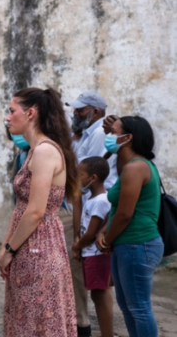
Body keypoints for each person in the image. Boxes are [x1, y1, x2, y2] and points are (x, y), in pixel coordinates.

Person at [0, 87, 78, 336]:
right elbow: (22, 209)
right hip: (32, 246)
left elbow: (35, 211)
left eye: (12, 111)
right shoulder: (37, 150)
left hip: (39, 249)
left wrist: (10, 249)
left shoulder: (45, 151)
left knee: (37, 322)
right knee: (28, 319)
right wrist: (6, 246)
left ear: (30, 113)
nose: (8, 117)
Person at [96, 116, 163, 337]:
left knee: (139, 308)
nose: (109, 137)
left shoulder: (136, 168)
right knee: (127, 306)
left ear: (128, 138)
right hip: (128, 244)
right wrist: (106, 233)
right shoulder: (132, 166)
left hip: (137, 243)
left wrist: (107, 239)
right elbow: (118, 209)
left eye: (113, 133)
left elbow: (125, 214)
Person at [67, 90, 117, 336]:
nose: (74, 113)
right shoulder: (82, 133)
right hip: (88, 212)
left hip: (94, 217)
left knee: (100, 288)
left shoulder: (98, 135)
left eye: (80, 109)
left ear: (95, 111)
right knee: (95, 285)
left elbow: (82, 176)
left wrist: (79, 239)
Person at [71, 157, 113, 337]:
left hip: (96, 255)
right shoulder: (92, 198)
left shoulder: (101, 201)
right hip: (90, 253)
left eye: (81, 175)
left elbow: (91, 233)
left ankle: (106, 334)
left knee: (99, 296)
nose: (78, 179)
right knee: (97, 295)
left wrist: (77, 246)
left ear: (93, 178)